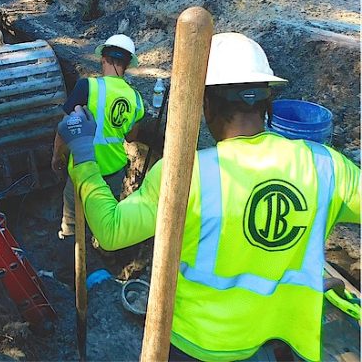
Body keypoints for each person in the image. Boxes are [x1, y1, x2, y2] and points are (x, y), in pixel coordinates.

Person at [57, 32, 360, 362]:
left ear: (206, 104)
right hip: (284, 343)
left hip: (198, 345)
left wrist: (84, 156)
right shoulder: (327, 166)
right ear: (267, 101)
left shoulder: (185, 176)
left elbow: (111, 230)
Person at [51, 33, 145, 240]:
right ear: (127, 65)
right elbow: (130, 138)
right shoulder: (137, 99)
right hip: (113, 171)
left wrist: (57, 156)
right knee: (104, 222)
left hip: (82, 170)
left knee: (72, 223)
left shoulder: (88, 86)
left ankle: (72, 255)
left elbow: (65, 127)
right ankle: (100, 254)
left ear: (103, 58)